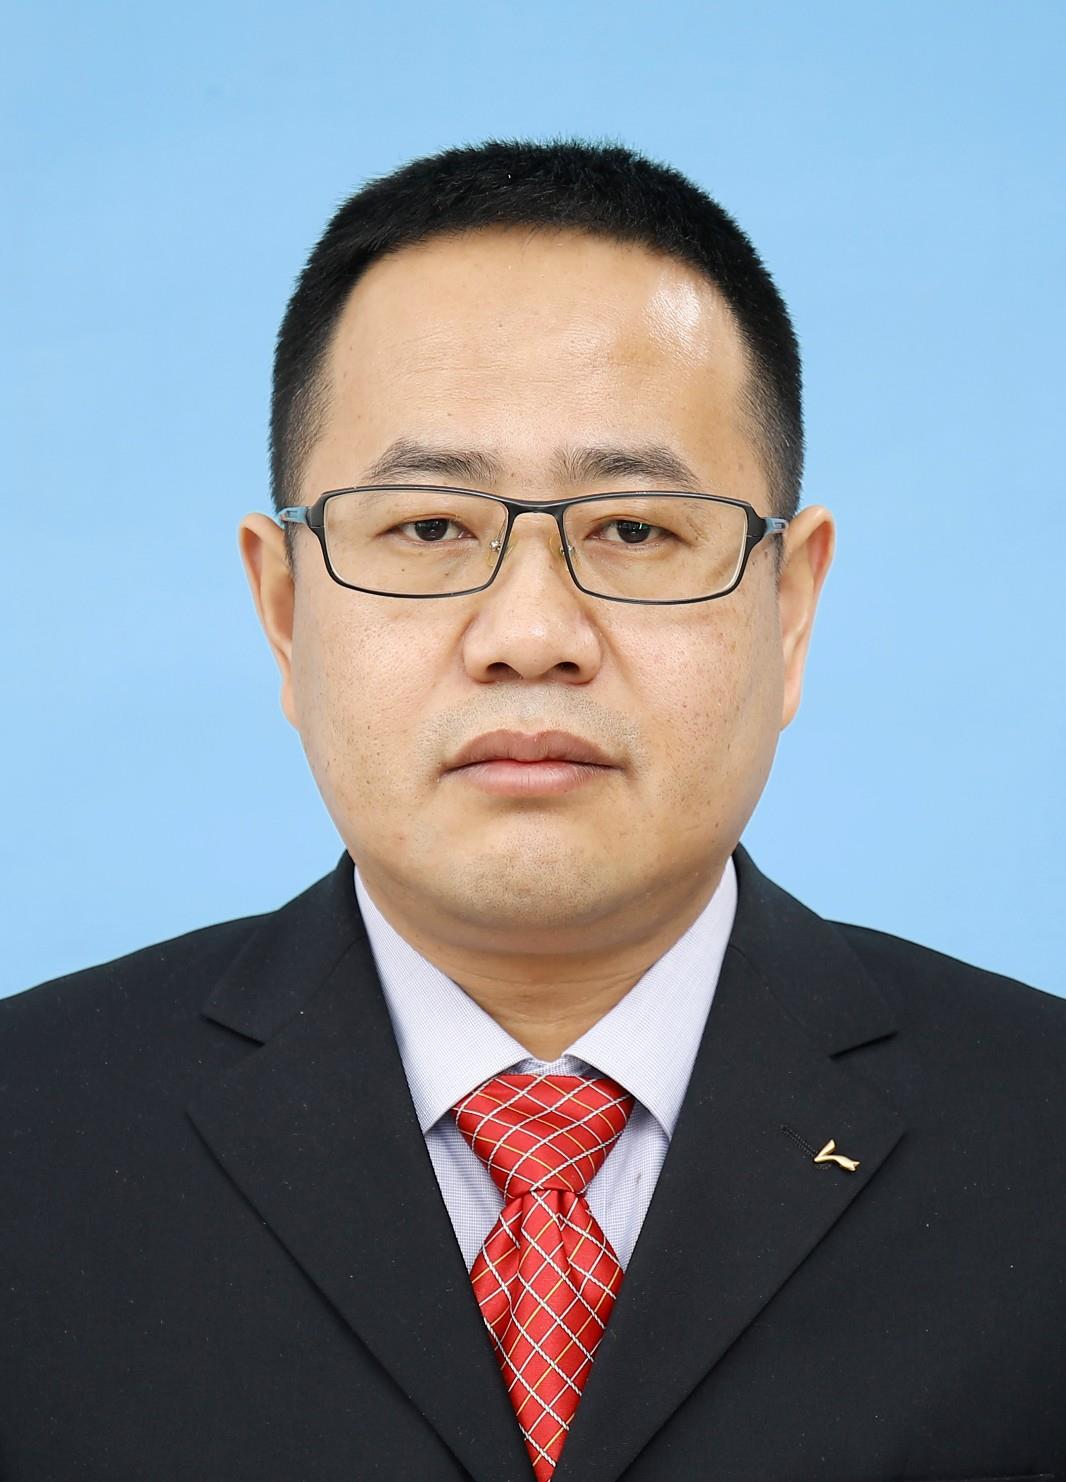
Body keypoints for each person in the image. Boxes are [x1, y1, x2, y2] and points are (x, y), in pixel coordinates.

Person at [2, 139, 1063, 1482]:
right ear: (284, 609)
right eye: (429, 527)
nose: (530, 635)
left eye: (635, 529)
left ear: (789, 607)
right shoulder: (27, 1138)